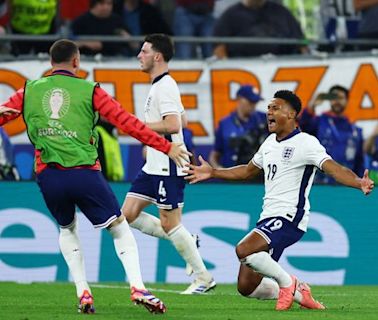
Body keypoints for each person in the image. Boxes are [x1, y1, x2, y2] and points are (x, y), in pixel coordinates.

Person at [0, 39, 191, 314]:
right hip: (84, 174)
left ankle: (83, 292)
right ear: (76, 62)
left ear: (50, 62)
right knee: (119, 227)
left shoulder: (28, 90)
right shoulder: (91, 90)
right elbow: (128, 124)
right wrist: (166, 146)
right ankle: (137, 287)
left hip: (48, 177)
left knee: (67, 229)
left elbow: (3, 116)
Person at [184, 90, 374, 311]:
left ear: (292, 114)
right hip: (268, 217)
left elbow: (334, 169)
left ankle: (288, 283)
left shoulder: (306, 142)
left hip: (290, 216)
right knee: (247, 286)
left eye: (275, 108)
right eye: (268, 108)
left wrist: (358, 181)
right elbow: (247, 171)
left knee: (243, 249)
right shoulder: (269, 143)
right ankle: (299, 292)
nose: (269, 112)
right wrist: (214, 173)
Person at [121, 33, 216, 294]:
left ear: (157, 56)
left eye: (144, 51)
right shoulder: (161, 85)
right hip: (154, 163)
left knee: (170, 223)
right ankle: (189, 240)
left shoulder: (164, 86)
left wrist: (136, 126)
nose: (139, 56)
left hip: (168, 163)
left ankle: (203, 278)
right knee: (126, 215)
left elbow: (173, 125)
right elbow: (182, 121)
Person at [299, 85, 364, 184]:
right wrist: (312, 105)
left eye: (341, 98)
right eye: (334, 98)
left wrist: (360, 183)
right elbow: (303, 126)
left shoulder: (355, 130)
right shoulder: (319, 122)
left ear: (347, 101)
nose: (337, 101)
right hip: (321, 182)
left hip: (346, 184)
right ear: (329, 100)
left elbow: (359, 161)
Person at [212, 0, 307, 58]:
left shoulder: (282, 12)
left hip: (282, 64)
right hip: (243, 65)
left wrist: (307, 58)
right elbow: (218, 46)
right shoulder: (230, 15)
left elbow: (301, 39)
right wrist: (226, 66)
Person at [209, 84, 268, 169]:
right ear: (239, 99)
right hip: (232, 177)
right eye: (250, 101)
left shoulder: (264, 119)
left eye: (255, 102)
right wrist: (219, 170)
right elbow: (214, 155)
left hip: (258, 176)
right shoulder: (225, 124)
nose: (253, 105)